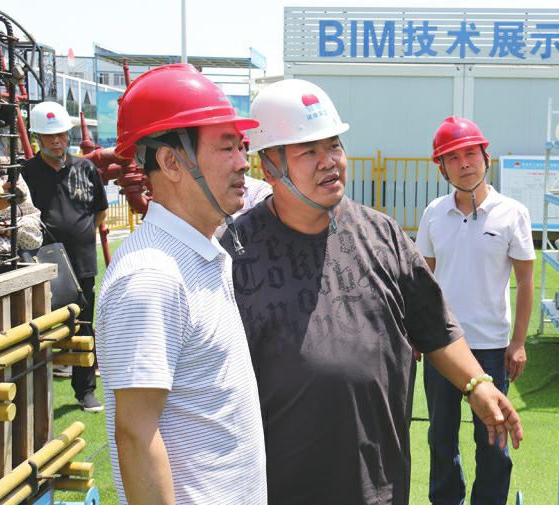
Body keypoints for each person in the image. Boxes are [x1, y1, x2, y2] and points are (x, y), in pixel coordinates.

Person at [221, 79, 523, 505]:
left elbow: (434, 325)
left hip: (380, 485)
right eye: (309, 151)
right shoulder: (235, 254)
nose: (329, 162)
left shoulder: (382, 235)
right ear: (269, 166)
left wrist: (476, 384)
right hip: (280, 486)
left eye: (334, 145)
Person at [95, 64, 266, 504]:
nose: (242, 162)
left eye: (241, 146)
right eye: (226, 147)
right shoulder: (151, 277)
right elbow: (136, 436)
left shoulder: (199, 252)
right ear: (171, 162)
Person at [416, 116, 535, 505]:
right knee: (440, 435)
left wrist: (518, 342)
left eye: (470, 153)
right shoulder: (434, 213)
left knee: (493, 437)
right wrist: (415, 334)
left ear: (486, 157)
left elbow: (525, 282)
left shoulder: (512, 212)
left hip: (491, 346)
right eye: (452, 157)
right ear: (442, 168)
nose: (464, 163)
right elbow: (423, 281)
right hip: (442, 345)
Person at [22, 101, 107, 412]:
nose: (56, 141)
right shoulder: (27, 173)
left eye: (60, 134)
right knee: (39, 326)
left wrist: (80, 236)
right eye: (49, 136)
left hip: (82, 262)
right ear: (37, 138)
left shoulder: (86, 168)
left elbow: (100, 211)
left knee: (83, 324)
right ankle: (36, 396)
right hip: (41, 263)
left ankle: (85, 391)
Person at [212, 132, 271, 239]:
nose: (244, 165)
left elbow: (265, 223)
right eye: (227, 149)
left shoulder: (259, 190)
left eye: (240, 148)